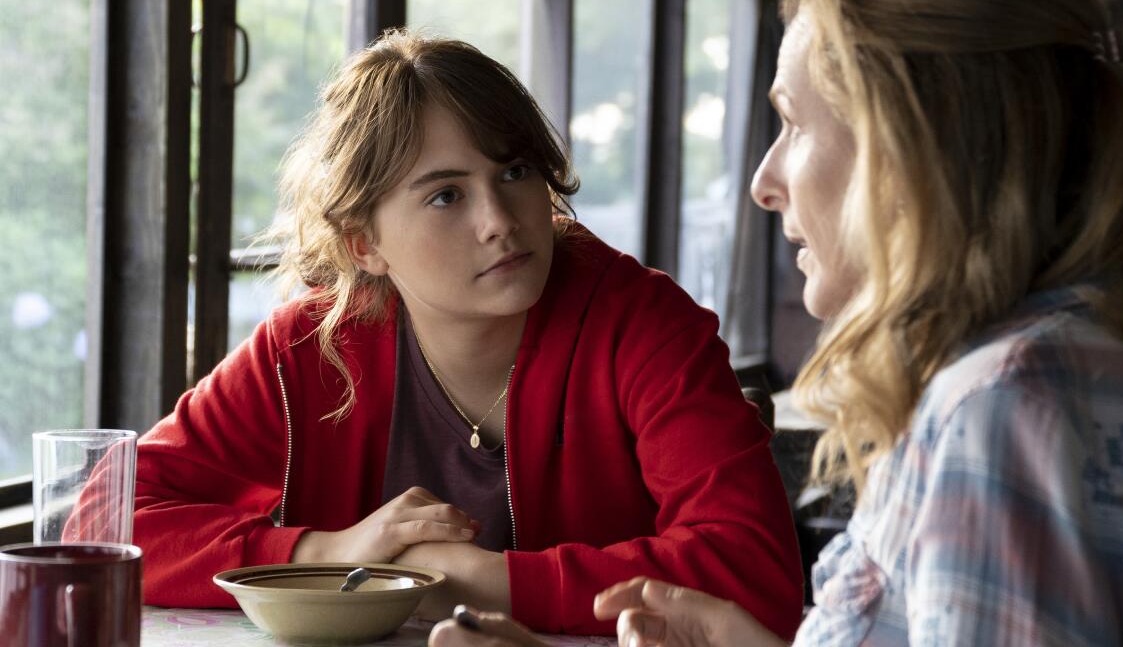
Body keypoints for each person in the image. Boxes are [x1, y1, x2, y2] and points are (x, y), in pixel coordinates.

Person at [428, 0, 1123, 646]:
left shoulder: (1003, 412)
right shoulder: (1105, 357)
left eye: (793, 123)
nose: (765, 180)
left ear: (907, 148)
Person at [131, 31, 805, 636]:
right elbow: (113, 523)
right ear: (364, 243)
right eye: (446, 195)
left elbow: (755, 575)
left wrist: (466, 577)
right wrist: (329, 553)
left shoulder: (643, 323)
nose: (500, 220)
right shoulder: (310, 346)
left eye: (515, 172)